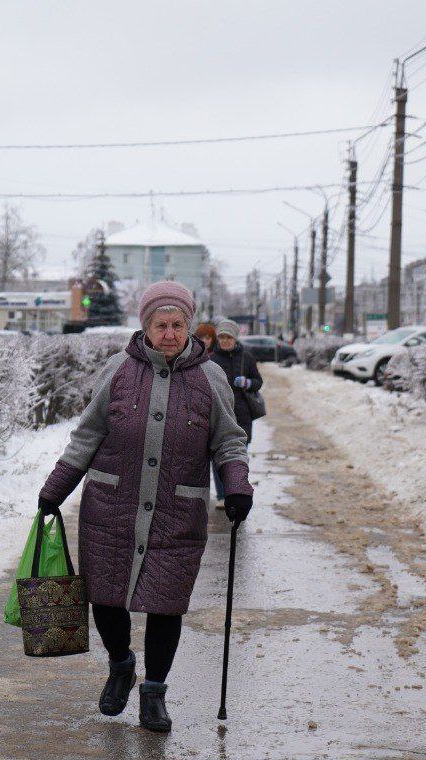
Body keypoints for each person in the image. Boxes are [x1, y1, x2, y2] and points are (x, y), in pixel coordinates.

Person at [38, 280, 253, 733]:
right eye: (162, 325)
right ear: (146, 327)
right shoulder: (119, 370)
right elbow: (88, 434)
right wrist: (55, 488)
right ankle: (120, 666)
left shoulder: (210, 377)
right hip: (111, 506)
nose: (170, 333)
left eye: (178, 325)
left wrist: (236, 487)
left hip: (177, 512)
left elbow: (230, 440)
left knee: (166, 606)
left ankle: (153, 692)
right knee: (107, 599)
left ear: (190, 328)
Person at [208, 319, 263, 508]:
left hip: (242, 415)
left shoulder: (247, 358)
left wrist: (248, 383)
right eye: (221, 337)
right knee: (218, 457)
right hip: (220, 414)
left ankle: (236, 493)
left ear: (235, 338)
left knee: (239, 456)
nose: (224, 341)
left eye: (228, 337)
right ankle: (223, 496)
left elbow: (258, 381)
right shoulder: (211, 360)